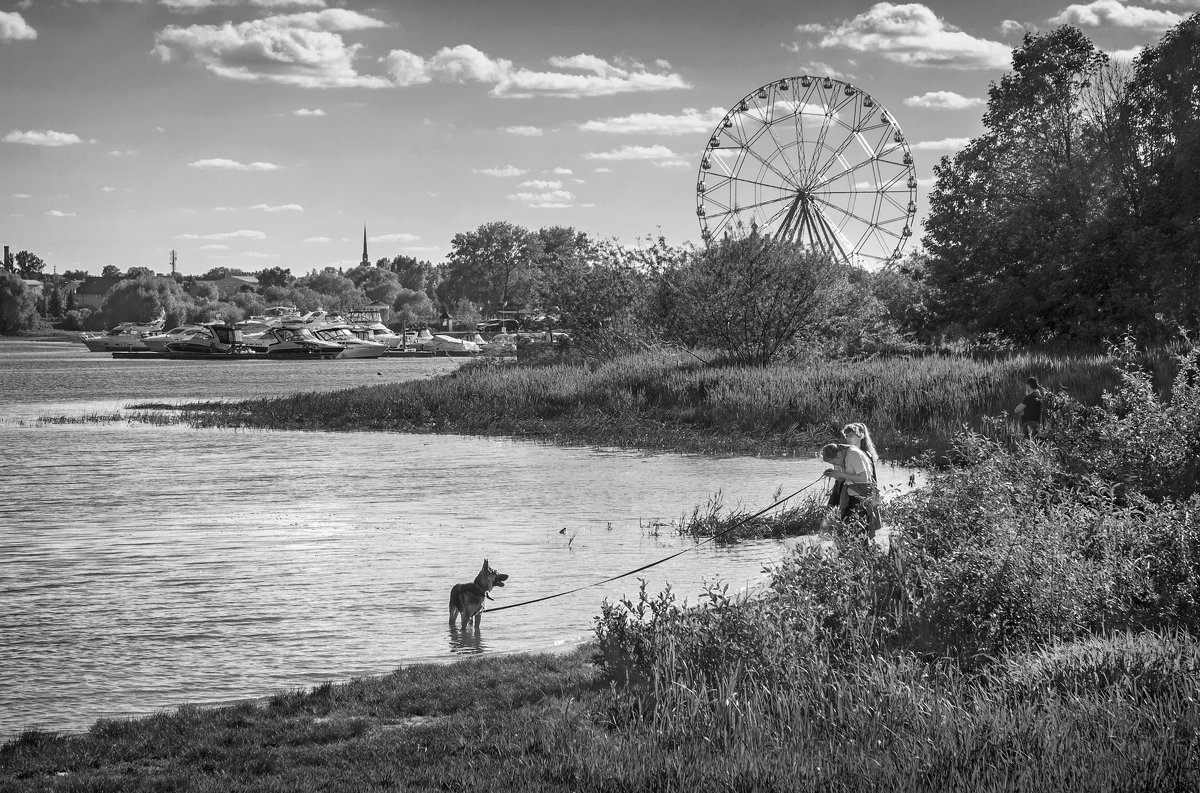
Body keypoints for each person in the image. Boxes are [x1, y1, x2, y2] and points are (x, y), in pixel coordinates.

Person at [820, 442, 875, 525]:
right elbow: (842, 479)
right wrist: (833, 474)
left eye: (834, 462)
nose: (835, 464)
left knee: (857, 525)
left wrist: (841, 474)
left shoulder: (853, 454)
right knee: (846, 524)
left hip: (861, 495)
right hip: (850, 494)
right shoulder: (841, 457)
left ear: (838, 454)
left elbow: (864, 478)